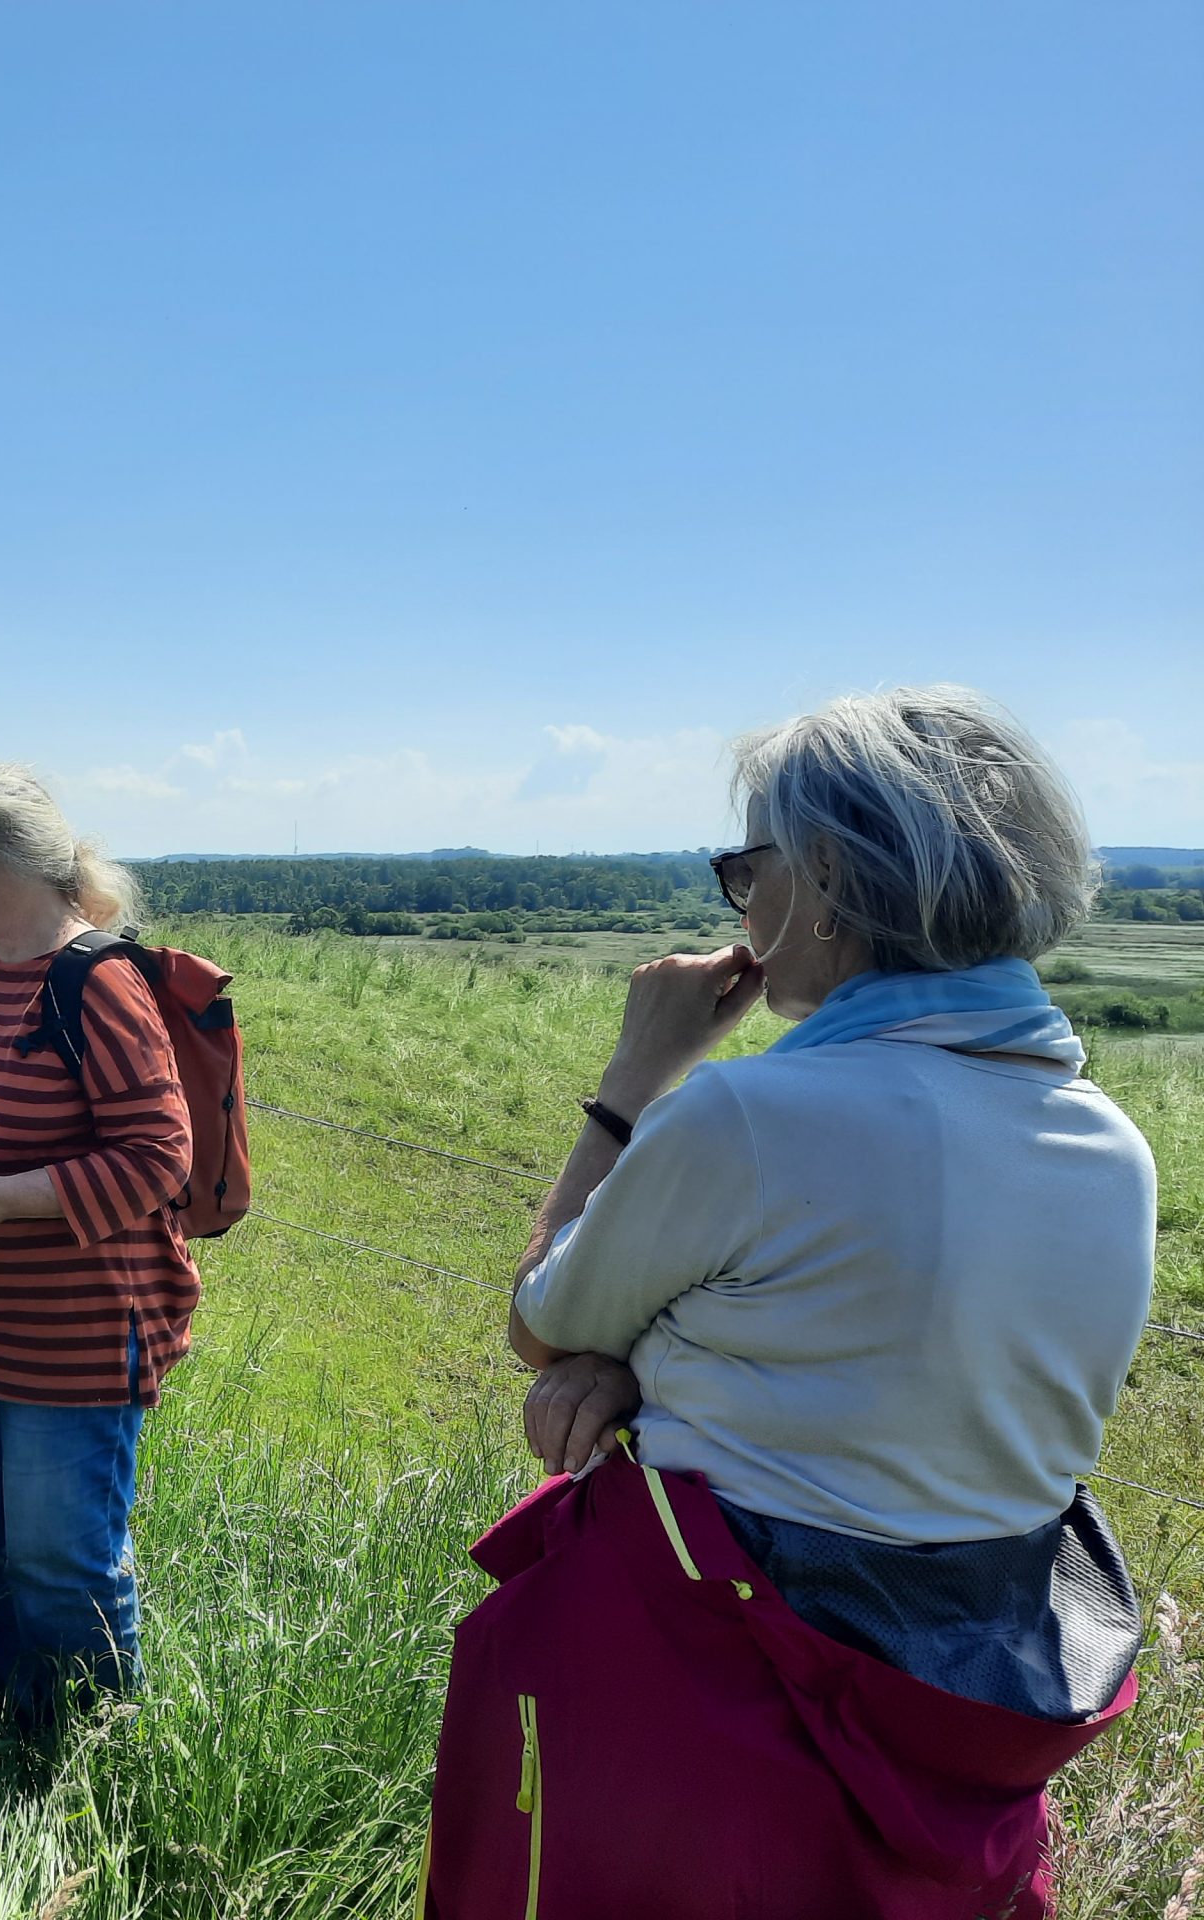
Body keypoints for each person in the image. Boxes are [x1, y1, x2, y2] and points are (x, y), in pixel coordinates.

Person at [424, 688, 1156, 1919]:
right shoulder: (1107, 1145)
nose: (740, 903)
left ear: (819, 875)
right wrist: (654, 1368)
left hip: (723, 1700)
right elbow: (889, 1358)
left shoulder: (751, 1118)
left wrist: (636, 1074)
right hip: (980, 1699)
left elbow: (541, 1319)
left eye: (743, 866)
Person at [0, 764, 198, 1729]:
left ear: (25, 864)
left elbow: (159, 1158)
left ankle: (93, 1757)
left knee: (62, 1562)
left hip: (72, 1342)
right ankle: (13, 1715)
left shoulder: (97, 983)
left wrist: (7, 1201)